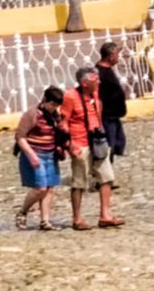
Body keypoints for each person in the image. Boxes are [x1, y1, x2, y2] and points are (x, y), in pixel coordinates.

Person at [61, 58, 117, 229]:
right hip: (80, 142)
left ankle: (105, 214)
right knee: (79, 181)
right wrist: (69, 144)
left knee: (106, 177)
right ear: (84, 83)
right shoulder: (70, 97)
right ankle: (77, 218)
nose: (98, 82)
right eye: (94, 79)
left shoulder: (95, 93)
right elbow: (64, 121)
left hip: (97, 141)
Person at [14, 85, 68, 231]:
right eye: (51, 104)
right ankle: (23, 211)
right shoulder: (33, 114)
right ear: (44, 100)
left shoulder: (55, 116)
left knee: (49, 187)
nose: (53, 107)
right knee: (40, 188)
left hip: (50, 154)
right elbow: (20, 136)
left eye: (56, 105)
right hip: (34, 153)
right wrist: (31, 154)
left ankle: (45, 220)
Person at [93, 41, 130, 217]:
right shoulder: (100, 73)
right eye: (116, 54)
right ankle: (103, 179)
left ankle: (106, 176)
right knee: (106, 148)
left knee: (116, 145)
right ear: (110, 56)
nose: (118, 57)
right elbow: (98, 97)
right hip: (107, 116)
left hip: (114, 115)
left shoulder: (106, 71)